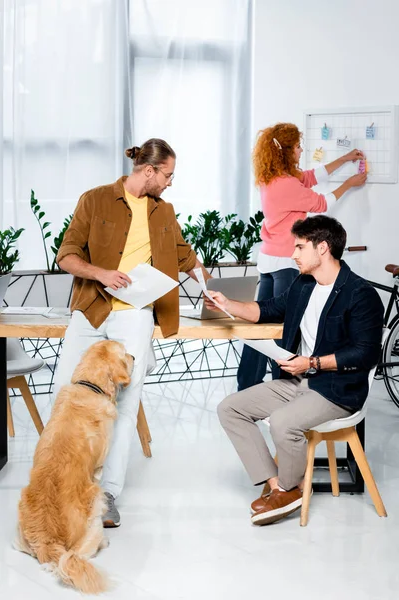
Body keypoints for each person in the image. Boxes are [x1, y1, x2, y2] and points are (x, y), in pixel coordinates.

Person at [55, 138, 211, 527]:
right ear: (148, 171)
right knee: (63, 395)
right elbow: (66, 255)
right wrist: (102, 273)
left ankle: (107, 494)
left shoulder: (164, 211)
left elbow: (184, 255)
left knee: (125, 403)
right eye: (168, 175)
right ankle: (60, 485)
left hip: (135, 315)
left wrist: (207, 284)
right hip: (91, 309)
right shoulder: (95, 199)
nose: (171, 183)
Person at [205, 215, 383, 526]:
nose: (293, 254)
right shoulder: (303, 285)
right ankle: (280, 488)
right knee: (230, 408)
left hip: (337, 390)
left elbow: (365, 353)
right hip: (297, 380)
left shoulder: (359, 293)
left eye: (300, 247)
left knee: (283, 422)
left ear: (323, 248)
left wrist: (311, 362)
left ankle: (288, 489)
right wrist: (227, 304)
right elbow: (266, 310)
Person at [237, 122, 367, 390]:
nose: (301, 150)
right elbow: (321, 203)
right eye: (297, 146)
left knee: (259, 325)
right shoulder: (286, 184)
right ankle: (281, 387)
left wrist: (343, 159)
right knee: (286, 330)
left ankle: (247, 386)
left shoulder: (272, 178)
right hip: (286, 263)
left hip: (269, 261)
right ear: (286, 151)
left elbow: (309, 176)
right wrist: (350, 183)